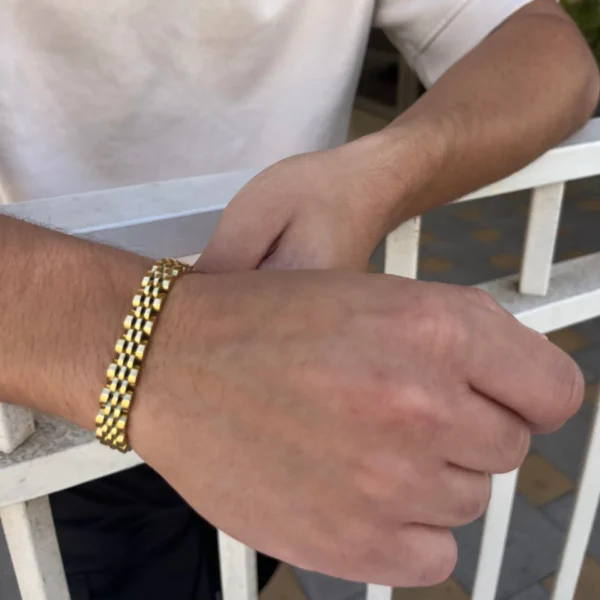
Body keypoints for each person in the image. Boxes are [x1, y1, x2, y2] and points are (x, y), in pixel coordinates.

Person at [0, 0, 598, 599]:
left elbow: (549, 50)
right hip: (53, 390)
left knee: (243, 572)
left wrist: (379, 175)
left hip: (301, 374)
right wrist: (167, 344)